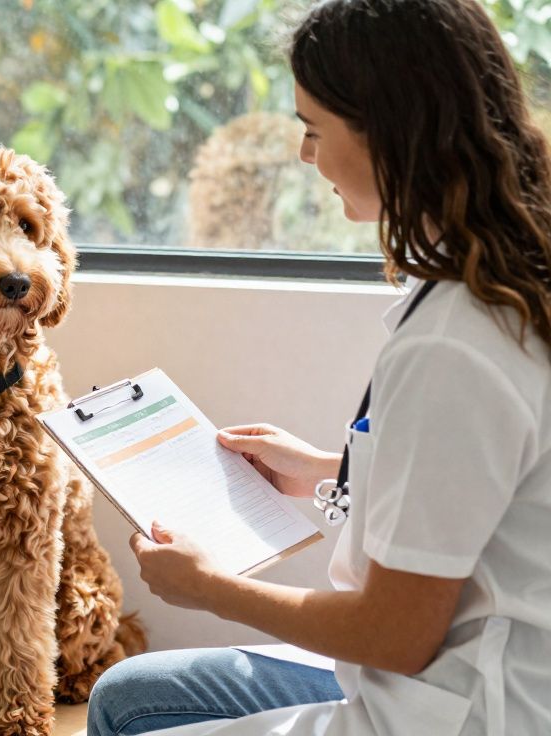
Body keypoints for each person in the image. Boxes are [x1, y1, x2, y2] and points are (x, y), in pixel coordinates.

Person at [86, 1, 551, 734]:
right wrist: (327, 472)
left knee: (124, 721)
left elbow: (395, 635)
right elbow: (470, 485)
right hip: (439, 675)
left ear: (393, 134)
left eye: (313, 130)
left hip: (458, 709)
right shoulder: (494, 276)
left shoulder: (457, 344)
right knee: (129, 696)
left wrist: (210, 588)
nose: (305, 156)